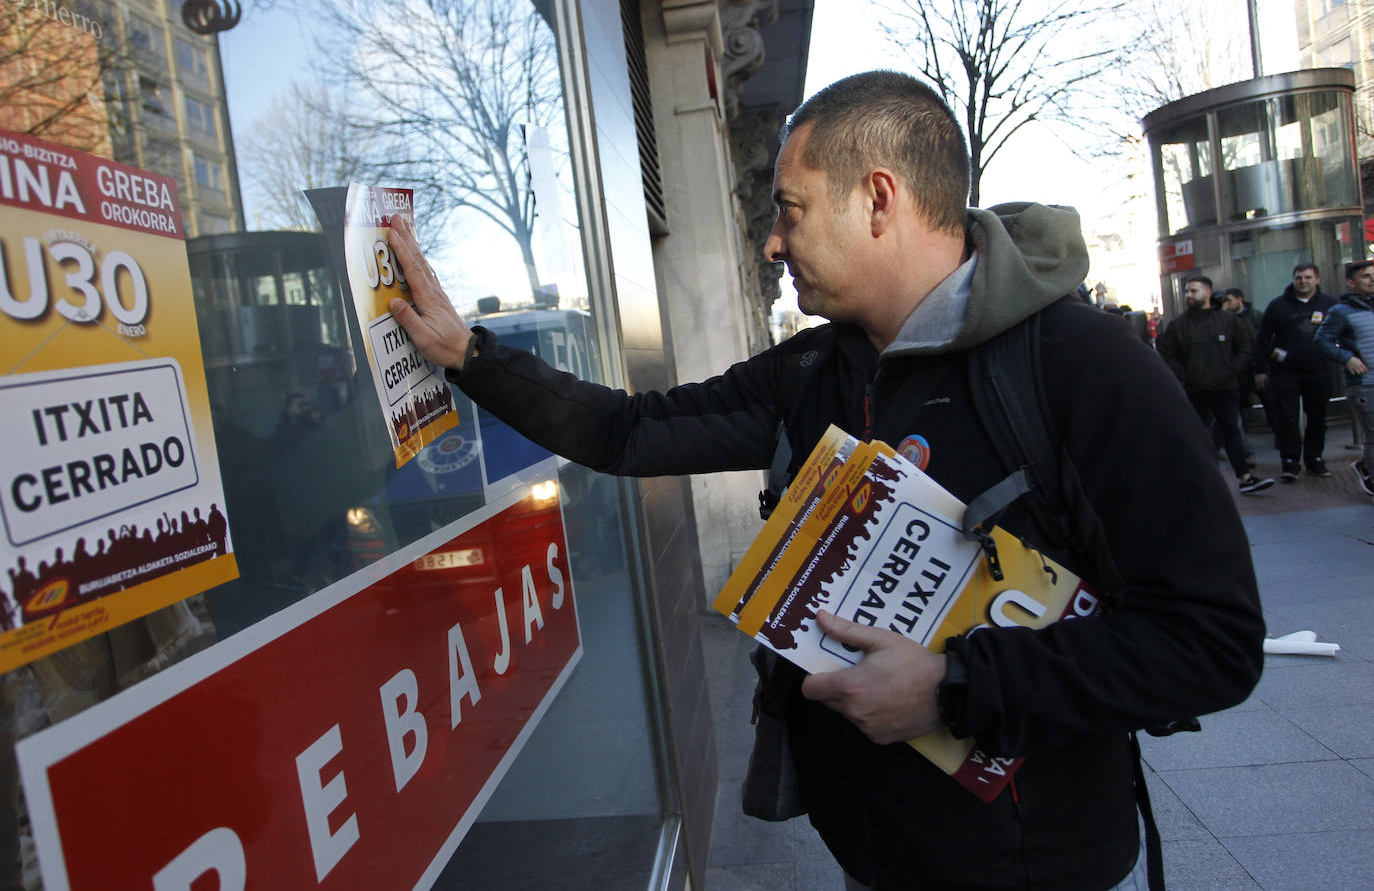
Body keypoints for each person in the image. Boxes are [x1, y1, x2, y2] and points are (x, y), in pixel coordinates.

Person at [387, 71, 1263, 890]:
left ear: (878, 199)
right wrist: (471, 357)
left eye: (791, 211)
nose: (773, 242)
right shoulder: (812, 373)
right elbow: (630, 430)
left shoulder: (1085, 366)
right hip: (869, 846)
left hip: (1028, 863)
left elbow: (1210, 643)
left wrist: (952, 686)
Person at [1157, 277, 1273, 493]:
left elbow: (1245, 347)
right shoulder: (1178, 326)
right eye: (1187, 291)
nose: (1188, 295)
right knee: (1196, 434)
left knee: (1231, 430)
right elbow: (1167, 353)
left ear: (1208, 293)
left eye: (1194, 291)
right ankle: (1202, 478)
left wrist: (1232, 369)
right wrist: (1185, 375)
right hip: (1194, 388)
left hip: (1225, 387)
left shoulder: (1228, 321)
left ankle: (1244, 477)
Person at [1253, 263, 1339, 480]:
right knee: (1287, 418)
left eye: (1308, 277)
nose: (1303, 281)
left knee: (1317, 417)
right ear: (1293, 279)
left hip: (1319, 370)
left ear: (1317, 279)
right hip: (1284, 372)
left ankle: (1314, 459)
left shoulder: (1330, 305)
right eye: (1299, 277)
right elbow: (1263, 339)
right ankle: (1290, 462)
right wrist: (1259, 369)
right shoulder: (1277, 306)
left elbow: (1343, 334)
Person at [1315, 261, 1374, 496]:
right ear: (1351, 283)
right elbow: (1322, 340)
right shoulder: (1341, 311)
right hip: (1364, 384)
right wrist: (1347, 358)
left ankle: (1363, 465)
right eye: (1365, 277)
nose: (1372, 280)